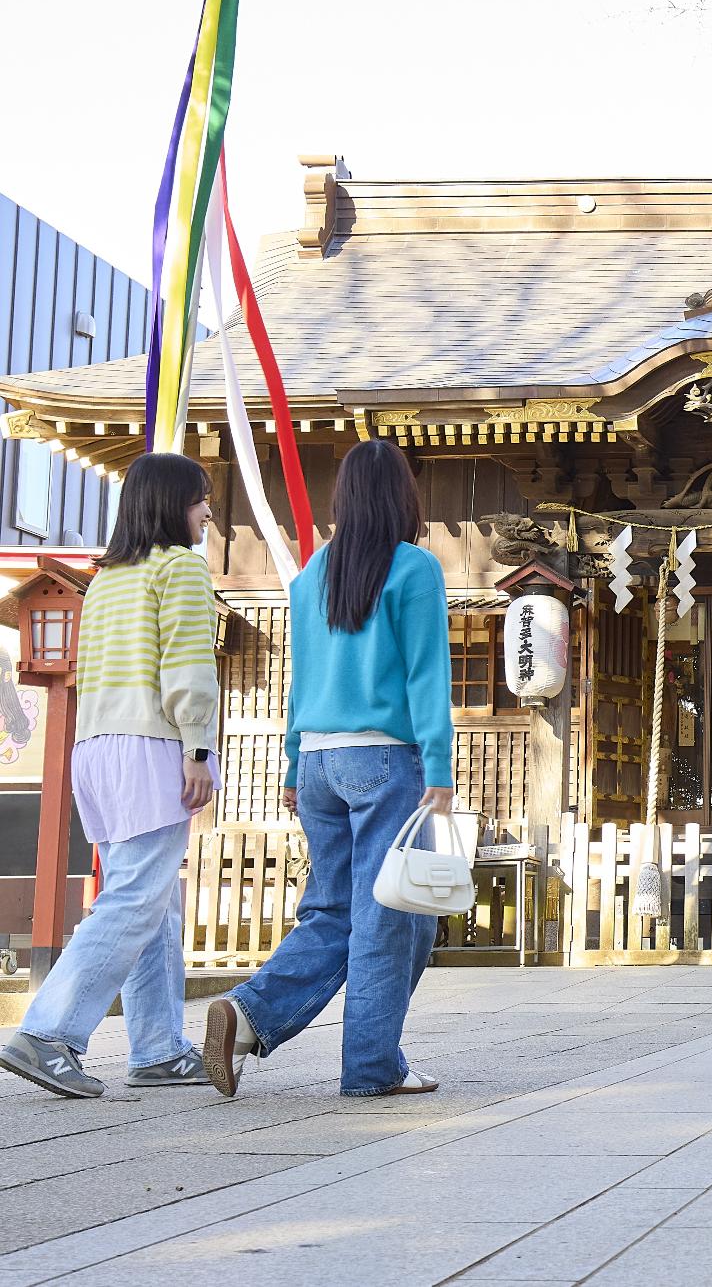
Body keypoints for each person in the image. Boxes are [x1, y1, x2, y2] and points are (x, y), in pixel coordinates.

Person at [204, 439, 453, 1098]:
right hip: (383, 761)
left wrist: (291, 763)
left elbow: (299, 681)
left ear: (343, 499)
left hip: (316, 761)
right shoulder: (414, 568)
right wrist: (442, 769)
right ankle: (372, 1066)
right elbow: (428, 677)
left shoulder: (310, 576)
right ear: (403, 495)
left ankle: (249, 1012)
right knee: (391, 916)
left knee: (336, 911)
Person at [0, 453, 219, 1098]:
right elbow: (187, 670)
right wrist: (199, 751)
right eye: (201, 498)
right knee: (134, 899)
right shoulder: (180, 567)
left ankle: (156, 1047)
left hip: (96, 750)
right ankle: (48, 1032)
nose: (207, 511)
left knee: (152, 900)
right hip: (151, 746)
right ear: (174, 503)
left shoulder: (107, 580)